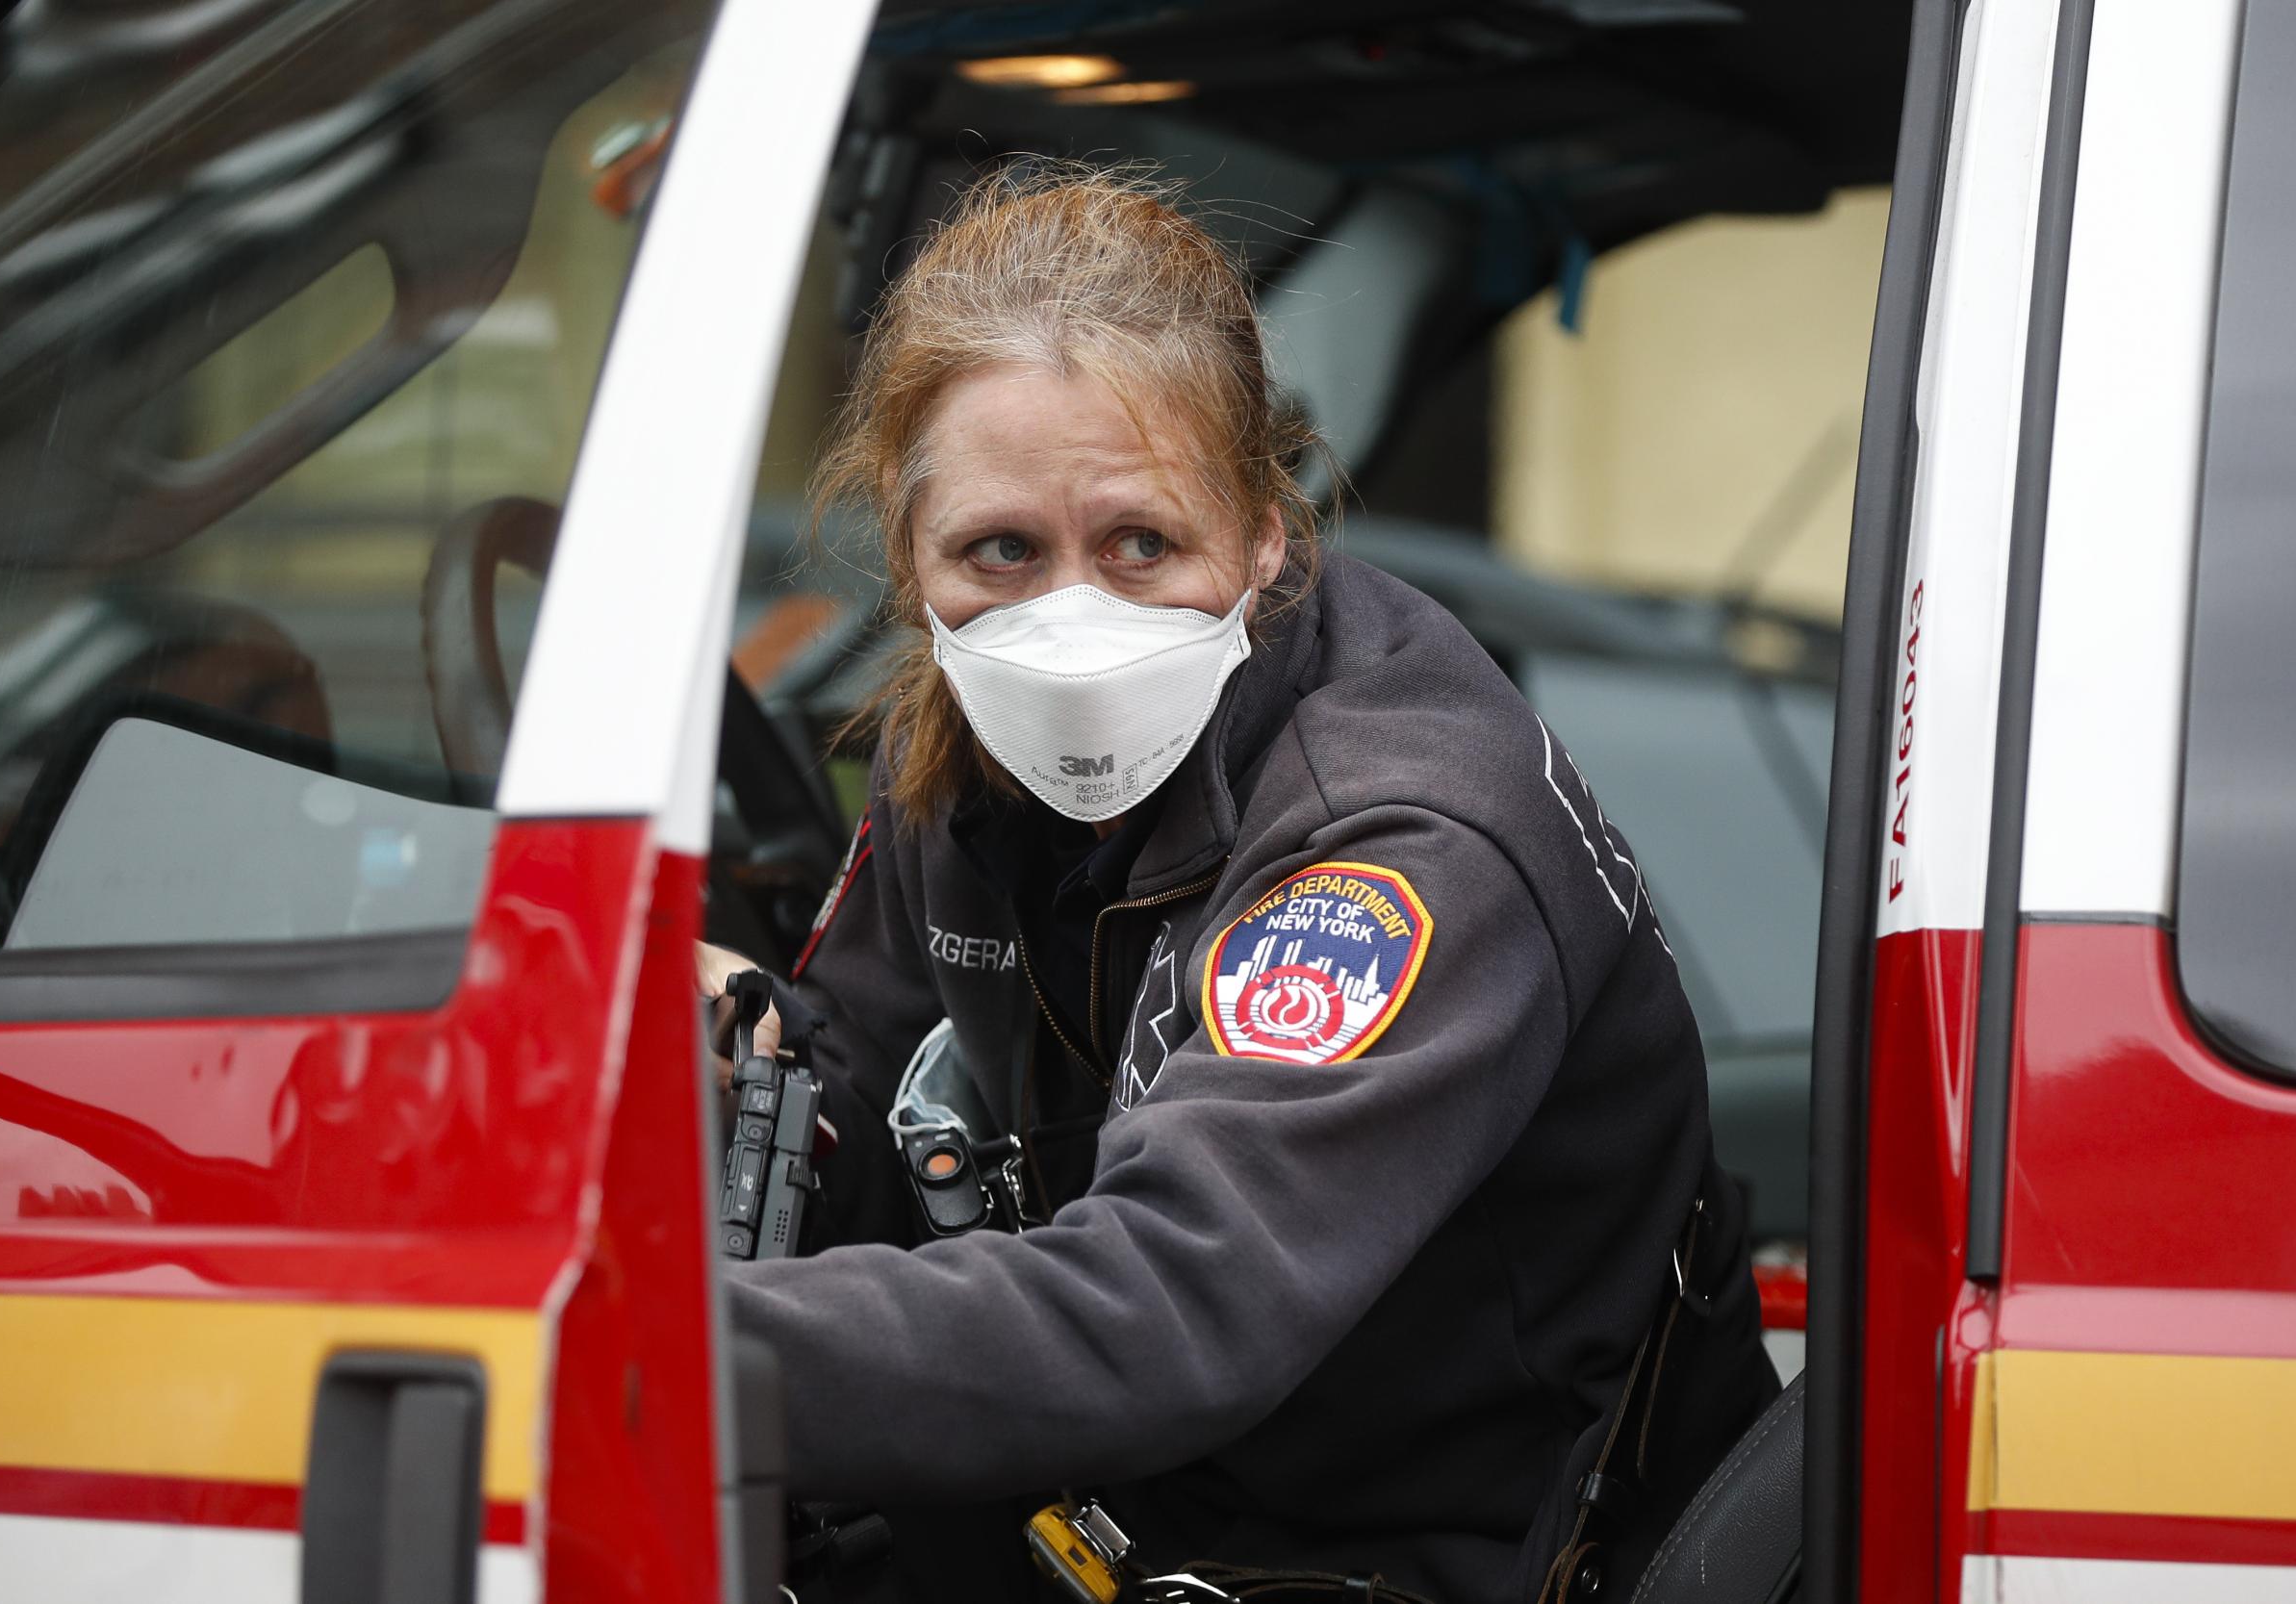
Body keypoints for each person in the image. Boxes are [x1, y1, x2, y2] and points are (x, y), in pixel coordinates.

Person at [703, 167, 1776, 1604]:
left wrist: (632, 1349)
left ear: (1266, 536)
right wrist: (735, 1037)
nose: (1065, 621)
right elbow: (861, 1060)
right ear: (909, 560)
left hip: (1452, 1556)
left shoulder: (1401, 836)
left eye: (1140, 545)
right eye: (999, 551)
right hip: (1140, 1503)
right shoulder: (956, 738)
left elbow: (1161, 1309)